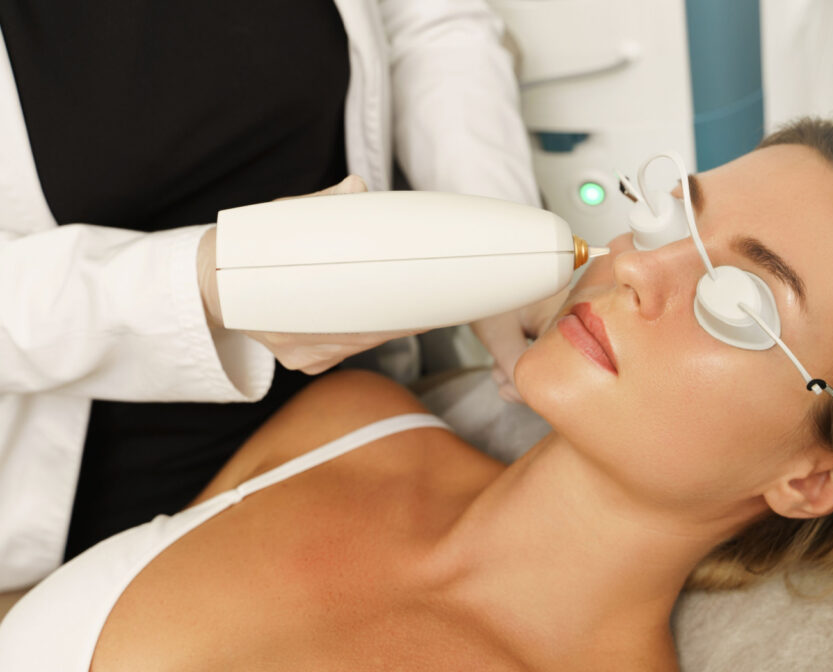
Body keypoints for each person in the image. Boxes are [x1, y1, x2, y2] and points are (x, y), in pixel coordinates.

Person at [2, 115, 833, 670]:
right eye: (675, 216)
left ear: (813, 478)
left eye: (739, 297)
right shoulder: (348, 422)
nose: (636, 267)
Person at [0, 0, 543, 592]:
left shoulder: (399, 429)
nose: (645, 269)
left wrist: (498, 242)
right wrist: (201, 281)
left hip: (344, 396)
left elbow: (432, 25)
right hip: (96, 483)